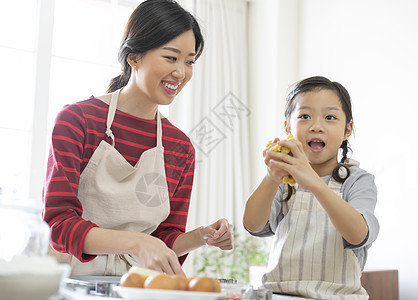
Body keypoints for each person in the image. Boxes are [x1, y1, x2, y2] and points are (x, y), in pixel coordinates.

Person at [43, 0, 233, 276]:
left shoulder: (180, 148)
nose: (181, 72)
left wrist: (201, 236)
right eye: (171, 57)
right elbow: (59, 224)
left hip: (139, 286)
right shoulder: (78, 121)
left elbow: (164, 237)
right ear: (133, 57)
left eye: (189, 61)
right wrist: (138, 242)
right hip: (71, 282)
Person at [243, 76, 379, 299]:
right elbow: (253, 224)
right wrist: (271, 177)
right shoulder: (283, 180)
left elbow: (358, 234)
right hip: (280, 294)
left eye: (330, 117)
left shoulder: (358, 180)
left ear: (347, 130)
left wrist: (315, 184)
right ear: (287, 127)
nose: (317, 126)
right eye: (304, 116)